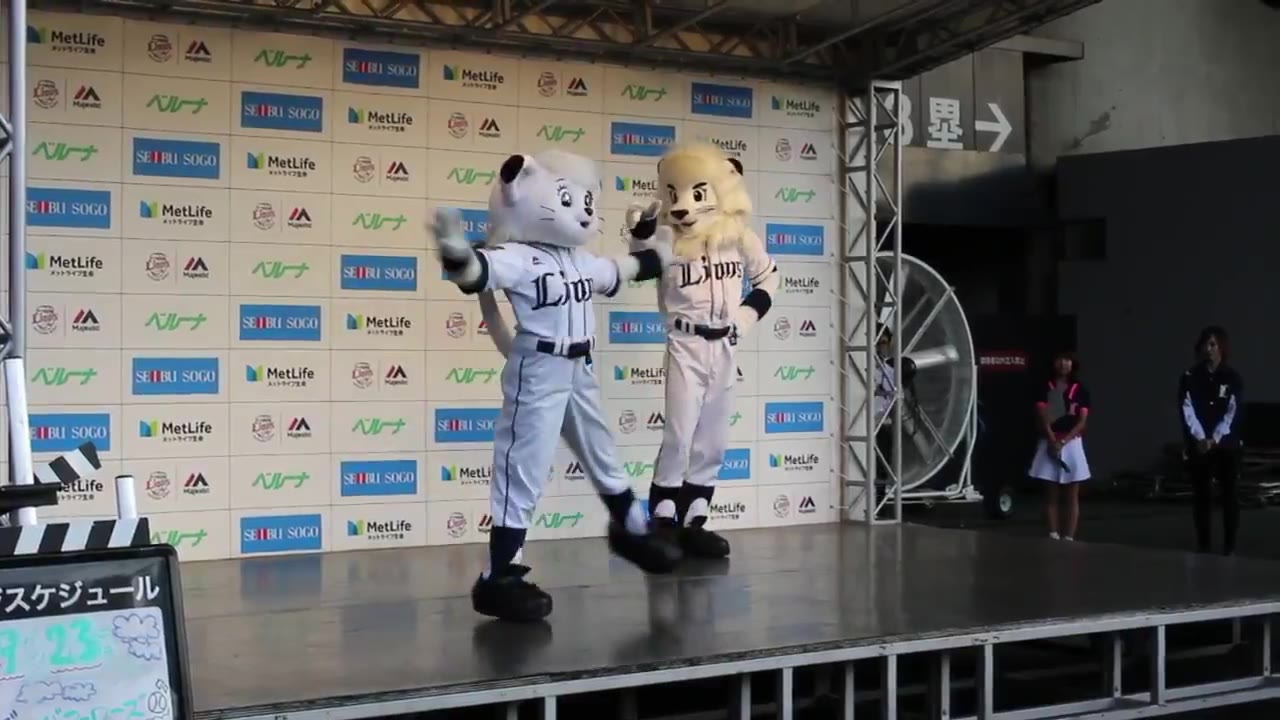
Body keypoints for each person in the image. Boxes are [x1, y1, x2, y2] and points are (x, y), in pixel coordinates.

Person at [1179, 325, 1244, 555]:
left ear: (1221, 348)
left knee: (1229, 494)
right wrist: (1200, 438)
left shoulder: (1232, 377)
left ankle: (1229, 545)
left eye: (1213, 344)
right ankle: (1204, 543)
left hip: (1226, 444)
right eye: (1205, 344)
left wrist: (1215, 438)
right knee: (1201, 494)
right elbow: (1187, 408)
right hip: (1199, 444)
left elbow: (1232, 411)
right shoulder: (1190, 377)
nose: (1208, 349)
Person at [1029, 350, 1091, 540]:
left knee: (1072, 494)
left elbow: (1082, 421)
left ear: (1073, 364)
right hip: (1049, 442)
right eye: (1060, 359)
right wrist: (1052, 441)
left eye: (1067, 360)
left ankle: (1069, 537)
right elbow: (1043, 416)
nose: (1064, 363)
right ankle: (1053, 534)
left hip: (1072, 443)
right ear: (1054, 363)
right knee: (1051, 493)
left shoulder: (1080, 389)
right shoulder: (1045, 387)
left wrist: (1063, 442)